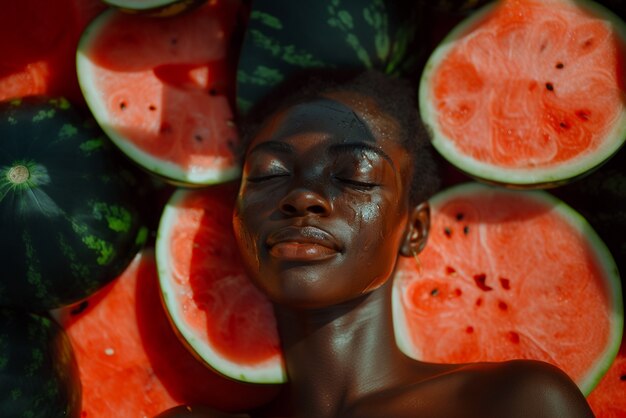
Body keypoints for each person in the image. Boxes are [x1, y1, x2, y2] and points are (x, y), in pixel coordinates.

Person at [157, 71, 594, 418]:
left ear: (415, 229)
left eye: (355, 176)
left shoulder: (515, 405)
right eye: (271, 173)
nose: (302, 197)